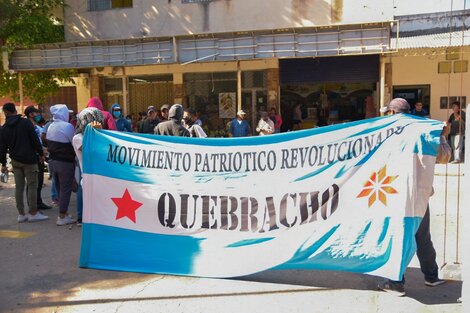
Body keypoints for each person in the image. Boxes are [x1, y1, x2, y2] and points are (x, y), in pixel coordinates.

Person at [378, 98, 447, 296]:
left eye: (387, 113)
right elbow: (444, 157)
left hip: (397, 195)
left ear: (392, 113)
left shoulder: (385, 134)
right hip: (420, 194)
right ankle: (431, 276)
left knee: (399, 236)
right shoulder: (424, 130)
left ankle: (396, 282)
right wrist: (441, 137)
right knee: (422, 236)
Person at [0, 103, 49, 222]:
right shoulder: (25, 122)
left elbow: (1, 147)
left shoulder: (4, 128)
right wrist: (41, 154)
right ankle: (33, 213)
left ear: (5, 112)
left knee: (19, 187)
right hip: (30, 160)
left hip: (15, 161)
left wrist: (3, 164)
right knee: (32, 186)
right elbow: (34, 140)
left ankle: (21, 214)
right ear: (14, 111)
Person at [73, 107, 105, 226]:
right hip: (88, 178)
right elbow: (91, 151)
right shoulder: (78, 138)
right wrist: (96, 134)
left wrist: (99, 133)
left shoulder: (101, 135)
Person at [46, 104, 76, 226]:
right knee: (66, 189)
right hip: (65, 163)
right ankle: (62, 216)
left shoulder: (50, 126)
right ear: (63, 114)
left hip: (52, 162)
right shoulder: (67, 126)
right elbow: (73, 142)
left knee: (59, 188)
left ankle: (64, 212)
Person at [24, 106, 52, 211]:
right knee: (34, 182)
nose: (38, 115)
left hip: (39, 155)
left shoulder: (36, 125)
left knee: (39, 181)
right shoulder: (30, 126)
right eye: (36, 113)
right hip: (35, 157)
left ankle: (38, 202)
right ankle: (34, 205)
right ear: (31, 114)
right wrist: (40, 153)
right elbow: (33, 142)